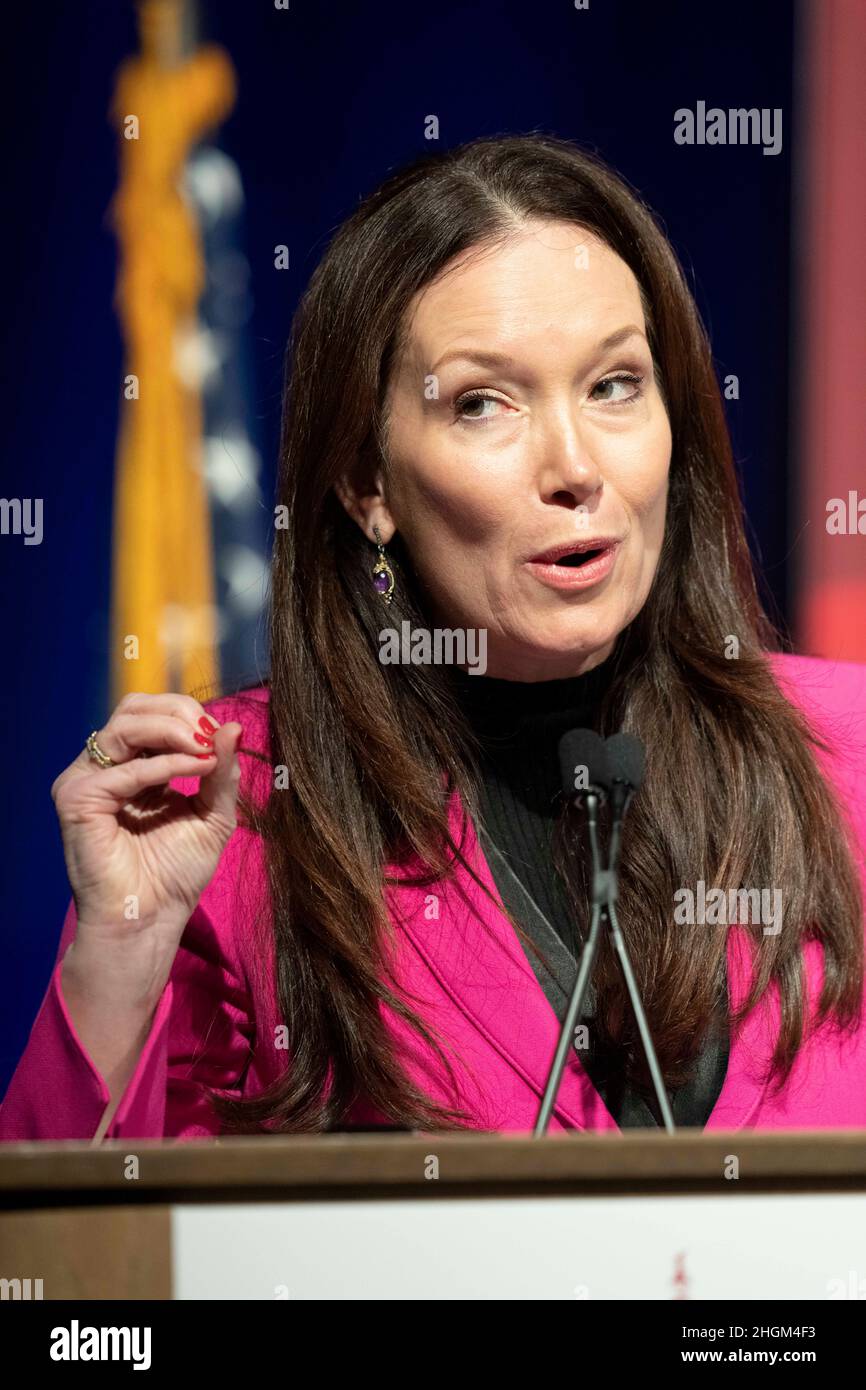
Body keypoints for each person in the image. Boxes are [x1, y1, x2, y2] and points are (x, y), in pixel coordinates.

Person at [3, 133, 866, 1143]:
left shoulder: (846, 752)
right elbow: (74, 1270)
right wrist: (121, 955)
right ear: (367, 485)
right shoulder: (239, 821)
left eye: (614, 384)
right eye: (481, 404)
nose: (574, 465)